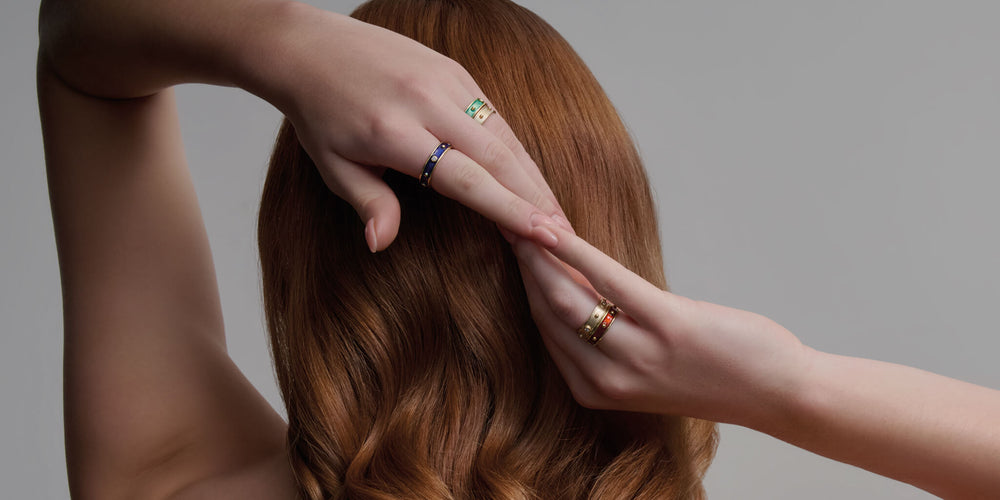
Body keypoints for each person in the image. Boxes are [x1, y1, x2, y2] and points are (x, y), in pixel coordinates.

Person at [36, 1, 1000, 499]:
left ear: (301, 243)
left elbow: (79, 50)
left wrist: (282, 45)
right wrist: (786, 384)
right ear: (607, 232)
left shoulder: (166, 479)